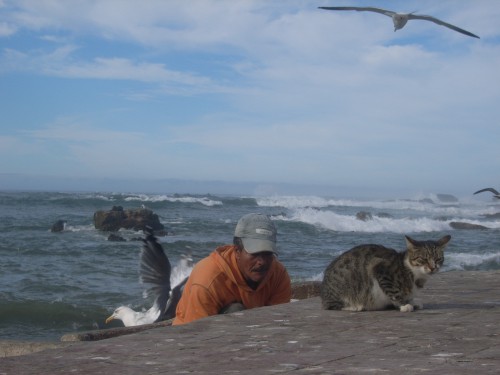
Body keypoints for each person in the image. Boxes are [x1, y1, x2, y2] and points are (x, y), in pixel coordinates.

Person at [172, 213, 291, 325]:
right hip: (192, 338)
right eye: (254, 254)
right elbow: (196, 333)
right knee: (235, 310)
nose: (262, 262)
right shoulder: (208, 281)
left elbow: (279, 321)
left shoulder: (278, 274)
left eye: (267, 253)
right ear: (237, 252)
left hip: (252, 332)